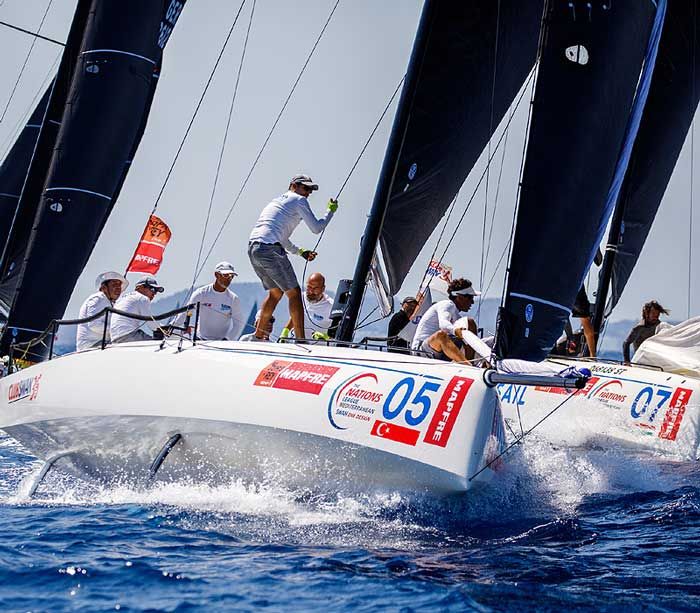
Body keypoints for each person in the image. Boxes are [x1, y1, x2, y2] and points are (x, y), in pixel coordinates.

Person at [248, 174, 337, 341]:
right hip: (270, 249)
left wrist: (300, 251)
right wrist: (330, 212)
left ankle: (258, 336)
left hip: (254, 248)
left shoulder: (276, 202)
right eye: (305, 188)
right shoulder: (299, 200)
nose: (308, 192)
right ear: (293, 185)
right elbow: (317, 228)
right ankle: (300, 339)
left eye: (311, 190)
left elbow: (279, 237)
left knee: (275, 293)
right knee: (295, 293)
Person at [411, 278, 479, 362]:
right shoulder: (447, 304)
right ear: (459, 297)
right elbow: (443, 324)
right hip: (420, 350)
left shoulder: (457, 316)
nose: (472, 302)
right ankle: (468, 365)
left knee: (470, 324)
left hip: (437, 351)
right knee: (441, 335)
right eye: (470, 298)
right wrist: (456, 331)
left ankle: (472, 364)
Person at [180, 261, 244, 340]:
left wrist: (227, 339)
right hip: (200, 340)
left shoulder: (233, 298)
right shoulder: (201, 293)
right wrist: (168, 329)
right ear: (216, 275)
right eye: (226, 275)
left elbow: (239, 324)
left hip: (222, 344)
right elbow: (185, 314)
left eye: (232, 276)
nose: (229, 279)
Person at [76, 271, 128, 351]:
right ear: (104, 288)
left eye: (119, 285)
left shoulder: (109, 302)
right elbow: (94, 325)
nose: (118, 288)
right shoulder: (98, 298)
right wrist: (117, 330)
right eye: (114, 285)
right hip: (92, 345)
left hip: (102, 343)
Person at [110, 275, 165, 343]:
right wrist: (164, 329)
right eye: (152, 289)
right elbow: (151, 323)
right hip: (129, 335)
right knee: (159, 344)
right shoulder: (142, 298)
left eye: (156, 291)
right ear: (140, 287)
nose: (154, 293)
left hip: (114, 338)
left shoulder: (122, 298)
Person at [280, 272, 334, 339]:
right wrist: (285, 332)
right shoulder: (299, 298)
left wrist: (326, 337)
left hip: (318, 347)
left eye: (315, 288)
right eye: (309, 287)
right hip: (296, 344)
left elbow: (338, 332)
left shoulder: (331, 306)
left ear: (323, 288)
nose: (311, 291)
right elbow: (294, 317)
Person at [571, 285, 596, 357]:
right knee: (585, 319)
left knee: (585, 319)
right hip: (575, 285)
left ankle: (592, 355)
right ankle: (592, 355)